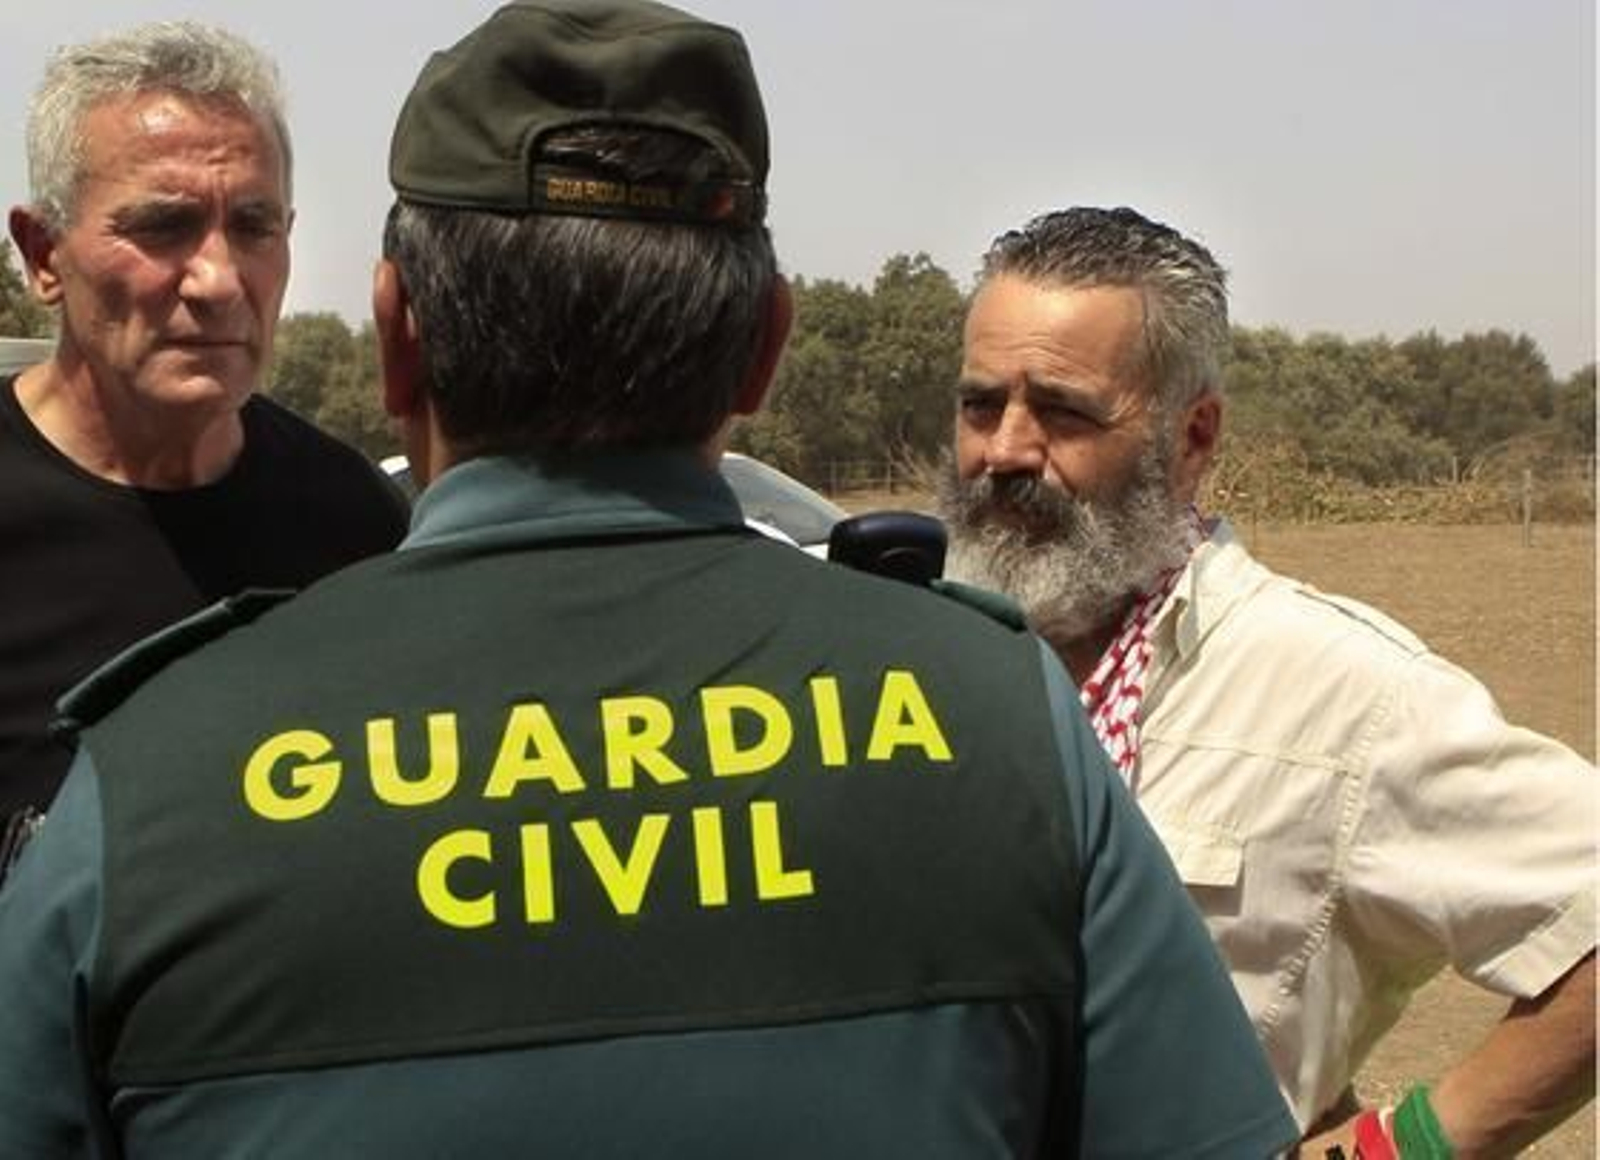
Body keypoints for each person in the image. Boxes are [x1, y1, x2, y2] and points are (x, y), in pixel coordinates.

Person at [0, 6, 1298, 1156]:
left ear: (397, 339)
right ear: (764, 353)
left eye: (254, 227)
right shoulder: (1003, 722)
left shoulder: (148, 774)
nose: (214, 274)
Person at [940, 204, 1596, 1157]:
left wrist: (1404, 1145)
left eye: (1064, 412)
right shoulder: (916, 655)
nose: (1003, 450)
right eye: (979, 403)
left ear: (1193, 437)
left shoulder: (1338, 692)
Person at [0, 22, 410, 829]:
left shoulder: (355, 527)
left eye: (254, 228)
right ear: (44, 255)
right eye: (163, 226)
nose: (220, 280)